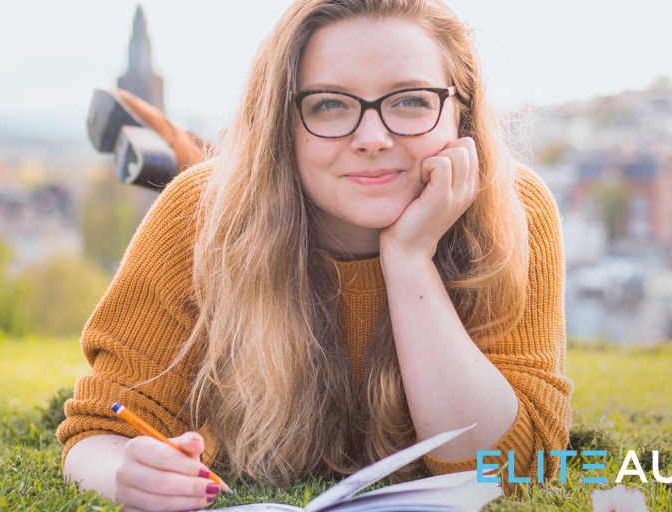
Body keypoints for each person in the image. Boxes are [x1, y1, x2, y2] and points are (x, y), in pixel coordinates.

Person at [57, 0, 573, 510]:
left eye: (411, 101)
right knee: (228, 193)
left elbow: (516, 468)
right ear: (282, 119)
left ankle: (177, 146)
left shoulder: (513, 210)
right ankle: (192, 152)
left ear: (462, 111)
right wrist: (125, 474)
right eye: (329, 104)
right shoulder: (195, 213)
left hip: (281, 180)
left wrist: (410, 257)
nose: (373, 138)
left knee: (246, 181)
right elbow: (100, 428)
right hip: (251, 195)